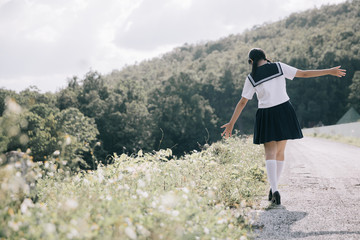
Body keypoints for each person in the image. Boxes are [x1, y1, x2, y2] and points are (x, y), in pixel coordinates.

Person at [220, 48, 346, 205]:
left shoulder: (251, 78)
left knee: (270, 154)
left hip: (266, 114)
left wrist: (231, 124)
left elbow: (243, 102)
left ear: (251, 62)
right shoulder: (279, 67)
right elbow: (304, 73)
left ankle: (275, 189)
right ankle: (274, 189)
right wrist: (330, 71)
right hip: (284, 110)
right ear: (265, 57)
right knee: (280, 153)